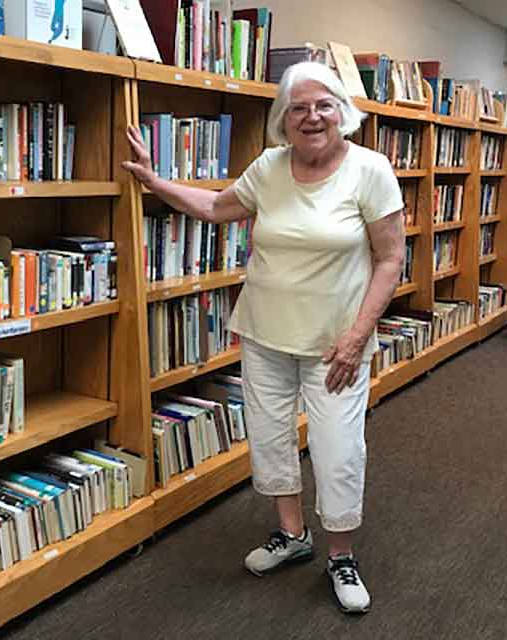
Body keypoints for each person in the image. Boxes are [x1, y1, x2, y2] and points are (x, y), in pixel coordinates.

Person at [122, 61, 405, 614]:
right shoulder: (269, 167)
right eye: (298, 107)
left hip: (335, 346)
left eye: (323, 104)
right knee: (271, 439)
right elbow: (216, 207)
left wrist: (356, 339)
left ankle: (341, 554)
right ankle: (293, 536)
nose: (312, 116)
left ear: (342, 112)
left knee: (338, 450)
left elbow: (390, 258)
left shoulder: (370, 170)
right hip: (265, 333)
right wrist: (155, 181)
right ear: (283, 118)